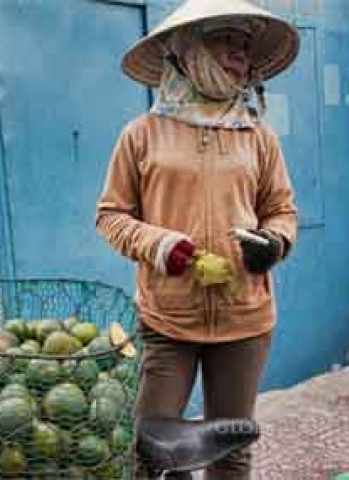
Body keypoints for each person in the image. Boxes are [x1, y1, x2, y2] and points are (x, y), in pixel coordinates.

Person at [95, 0, 300, 478]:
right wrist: (160, 244)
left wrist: (273, 243)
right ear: (188, 50)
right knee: (151, 449)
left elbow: (282, 211)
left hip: (244, 321)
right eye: (227, 40)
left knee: (231, 450)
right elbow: (111, 216)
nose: (240, 55)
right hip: (168, 319)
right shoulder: (141, 135)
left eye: (245, 47)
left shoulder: (259, 137)